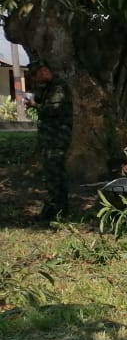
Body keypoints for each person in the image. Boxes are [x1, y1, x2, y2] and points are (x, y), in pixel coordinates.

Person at [28, 60, 73, 220]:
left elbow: (52, 109)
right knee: (52, 173)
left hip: (57, 138)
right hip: (50, 138)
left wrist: (35, 105)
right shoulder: (48, 88)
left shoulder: (58, 87)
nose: (37, 79)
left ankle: (57, 209)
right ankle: (57, 208)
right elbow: (41, 99)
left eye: (37, 75)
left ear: (44, 71)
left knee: (55, 174)